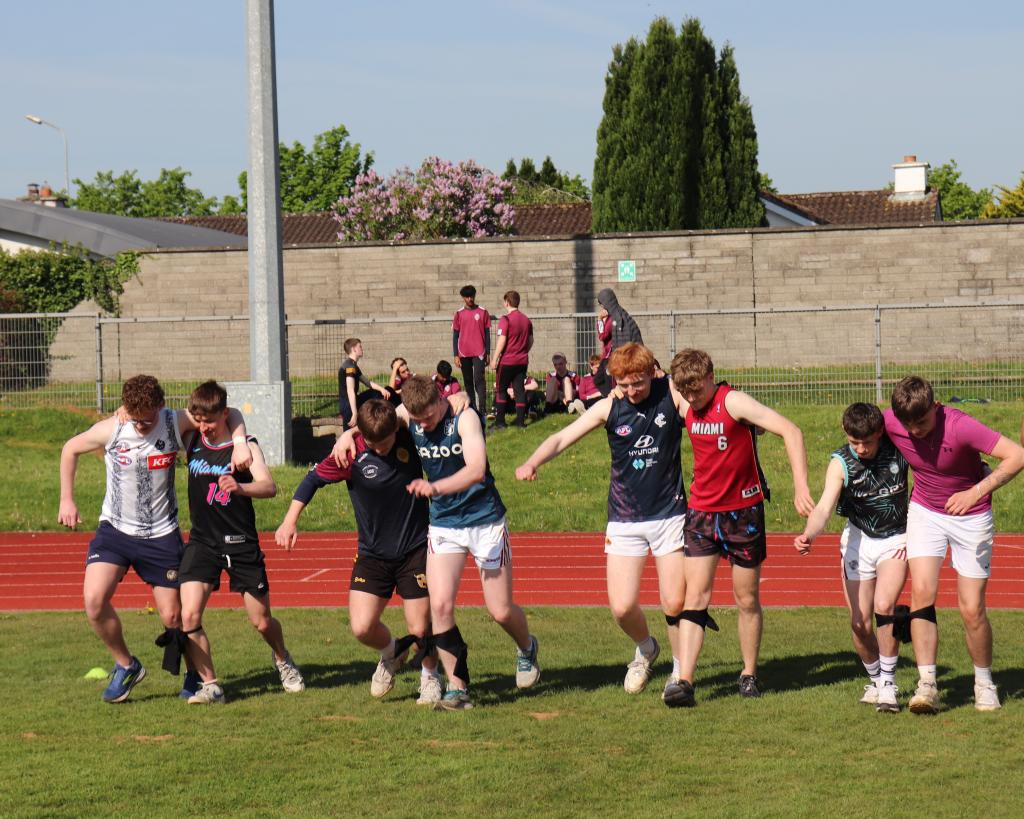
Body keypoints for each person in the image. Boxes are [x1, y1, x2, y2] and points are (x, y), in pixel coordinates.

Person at [334, 375, 540, 711]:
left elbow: (476, 469)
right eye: (417, 420)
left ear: (440, 400)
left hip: (485, 520)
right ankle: (458, 688)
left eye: (428, 417)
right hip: (444, 524)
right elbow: (377, 422)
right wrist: (348, 434)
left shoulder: (464, 417)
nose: (423, 425)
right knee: (440, 607)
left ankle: (527, 647)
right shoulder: (409, 416)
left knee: (500, 610)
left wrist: (435, 488)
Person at [58, 374, 252, 703]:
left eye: (147, 420)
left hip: (161, 535)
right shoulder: (114, 428)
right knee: (93, 601)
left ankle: (194, 673)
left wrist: (241, 442)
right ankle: (126, 665)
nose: (141, 426)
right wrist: (67, 499)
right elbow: (70, 449)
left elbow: (228, 413)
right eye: (135, 419)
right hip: (115, 531)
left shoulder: (174, 421)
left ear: (160, 406)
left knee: (174, 617)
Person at [517, 343, 691, 706]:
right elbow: (562, 437)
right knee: (622, 608)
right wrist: (533, 462)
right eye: (624, 384)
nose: (632, 391)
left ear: (652, 373)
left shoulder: (671, 393)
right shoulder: (610, 406)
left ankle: (679, 674)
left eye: (638, 383)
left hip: (670, 514)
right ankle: (646, 649)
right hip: (625, 519)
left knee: (674, 602)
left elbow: (705, 419)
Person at [669, 349, 814, 706]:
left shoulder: (733, 401)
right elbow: (646, 376)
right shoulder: (683, 401)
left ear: (710, 377)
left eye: (696, 390)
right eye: (685, 391)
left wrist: (801, 487)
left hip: (742, 515)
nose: (692, 398)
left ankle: (748, 674)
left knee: (746, 598)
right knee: (694, 597)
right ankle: (684, 682)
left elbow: (791, 431)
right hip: (702, 514)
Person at [276, 399, 443, 704]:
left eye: (385, 442)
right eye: (373, 444)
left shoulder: (407, 435)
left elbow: (416, 403)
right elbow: (312, 480)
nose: (380, 449)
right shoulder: (351, 453)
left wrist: (349, 431)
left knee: (419, 627)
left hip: (414, 549)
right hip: (372, 554)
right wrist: (290, 520)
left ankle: (431, 677)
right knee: (362, 627)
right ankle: (392, 652)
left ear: (395, 430)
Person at [885, 375, 1024, 714]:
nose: (915, 431)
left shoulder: (961, 426)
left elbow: (1017, 456)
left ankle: (984, 683)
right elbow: (857, 432)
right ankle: (927, 685)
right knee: (921, 594)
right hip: (925, 512)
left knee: (971, 608)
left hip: (972, 516)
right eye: (908, 425)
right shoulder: (891, 421)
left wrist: (975, 492)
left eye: (922, 422)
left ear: (935, 407)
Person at [177, 381, 304, 705]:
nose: (203, 427)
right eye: (199, 420)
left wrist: (241, 488)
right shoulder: (192, 439)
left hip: (239, 542)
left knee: (261, 622)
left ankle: (282, 658)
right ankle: (211, 685)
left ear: (224, 414)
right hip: (202, 542)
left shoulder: (246, 447)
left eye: (210, 420)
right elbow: (166, 420)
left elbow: (269, 486)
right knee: (188, 617)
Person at [794, 402, 909, 713]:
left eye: (867, 442)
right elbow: (823, 507)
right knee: (860, 623)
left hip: (896, 538)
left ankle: (888, 684)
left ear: (879, 433)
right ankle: (875, 681)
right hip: (858, 539)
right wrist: (809, 534)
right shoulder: (840, 462)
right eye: (854, 442)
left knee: (884, 606)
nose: (861, 449)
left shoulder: (898, 449)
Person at [490, 290, 533, 429]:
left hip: (507, 361)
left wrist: (494, 359)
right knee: (519, 390)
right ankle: (520, 422)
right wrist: (523, 352)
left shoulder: (505, 319)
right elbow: (531, 340)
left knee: (501, 390)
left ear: (507, 302)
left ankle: (500, 422)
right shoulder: (526, 320)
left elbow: (502, 340)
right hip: (522, 361)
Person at [594, 289, 642, 397]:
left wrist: (599, 319)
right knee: (602, 381)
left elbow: (602, 336)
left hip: (612, 356)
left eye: (601, 304)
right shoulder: (617, 315)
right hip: (611, 356)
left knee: (605, 381)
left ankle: (614, 399)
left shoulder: (615, 318)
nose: (601, 307)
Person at [452, 284, 490, 415]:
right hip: (464, 352)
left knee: (479, 379)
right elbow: (455, 335)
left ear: (475, 295)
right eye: (467, 297)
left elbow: (487, 334)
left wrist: (488, 352)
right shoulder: (459, 313)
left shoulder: (483, 312)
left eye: (471, 296)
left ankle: (483, 409)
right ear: (463, 297)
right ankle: (472, 408)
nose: (470, 299)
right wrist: (456, 355)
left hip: (479, 352)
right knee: (468, 381)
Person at [338, 338, 391, 428]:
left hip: (352, 402)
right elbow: (350, 390)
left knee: (376, 393)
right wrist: (354, 413)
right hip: (348, 405)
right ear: (354, 349)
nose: (362, 349)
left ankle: (379, 415)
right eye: (360, 347)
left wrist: (382, 389)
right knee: (349, 433)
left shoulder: (353, 365)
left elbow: (367, 383)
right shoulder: (349, 366)